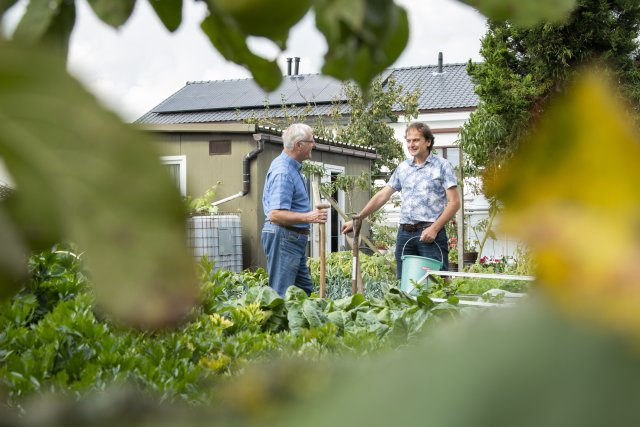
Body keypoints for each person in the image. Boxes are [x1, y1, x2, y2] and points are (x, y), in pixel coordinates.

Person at [342, 122, 460, 278]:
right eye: (409, 141)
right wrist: (358, 219)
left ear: (428, 142)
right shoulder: (403, 168)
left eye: (416, 140)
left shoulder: (442, 166)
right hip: (405, 234)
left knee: (436, 282)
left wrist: (435, 228)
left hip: (430, 234)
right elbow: (382, 195)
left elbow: (454, 203)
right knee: (404, 283)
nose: (411, 144)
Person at [261, 123, 328, 296]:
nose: (314, 145)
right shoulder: (283, 171)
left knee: (303, 292)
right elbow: (275, 215)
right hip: (284, 237)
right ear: (299, 145)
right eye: (311, 141)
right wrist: (309, 217)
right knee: (281, 294)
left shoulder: (292, 168)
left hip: (291, 238)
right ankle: (277, 323)